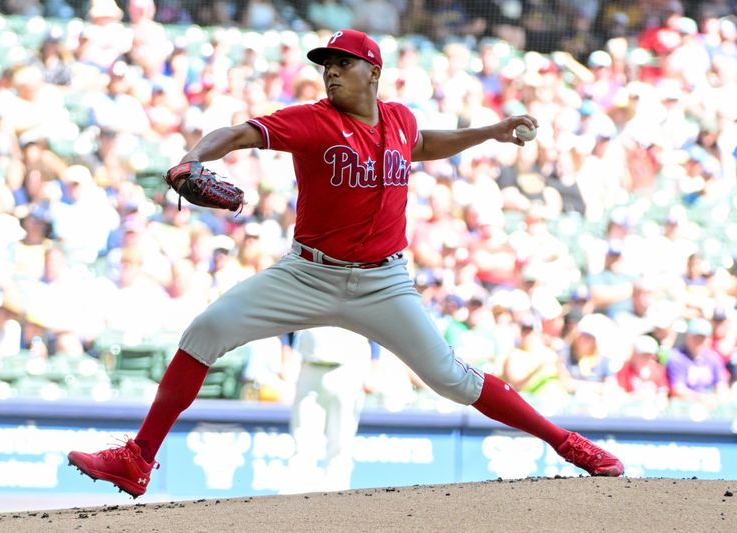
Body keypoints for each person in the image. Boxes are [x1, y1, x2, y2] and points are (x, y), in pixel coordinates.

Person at [68, 29, 623, 498]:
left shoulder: (399, 120)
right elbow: (238, 132)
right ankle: (138, 458)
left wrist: (493, 131)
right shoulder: (311, 121)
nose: (330, 73)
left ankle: (567, 443)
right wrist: (192, 158)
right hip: (307, 274)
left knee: (451, 379)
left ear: (372, 73)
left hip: (384, 282)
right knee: (204, 332)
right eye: (326, 65)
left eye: (342, 64)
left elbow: (424, 143)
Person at [284, 327, 372, 493]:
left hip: (347, 368)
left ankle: (337, 505)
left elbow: (376, 324)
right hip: (309, 365)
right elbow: (285, 321)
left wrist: (373, 367)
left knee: (340, 443)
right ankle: (294, 505)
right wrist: (286, 355)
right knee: (303, 442)